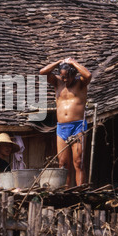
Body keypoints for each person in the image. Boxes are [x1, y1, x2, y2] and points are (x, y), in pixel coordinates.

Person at [39, 58, 92, 187]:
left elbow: (88, 75)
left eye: (68, 77)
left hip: (78, 126)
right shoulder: (57, 82)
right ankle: (66, 190)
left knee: (78, 161)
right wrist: (58, 62)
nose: (65, 80)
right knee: (63, 163)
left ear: (74, 74)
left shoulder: (81, 83)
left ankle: (80, 190)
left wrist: (73, 62)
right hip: (62, 127)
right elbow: (42, 72)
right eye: (63, 77)